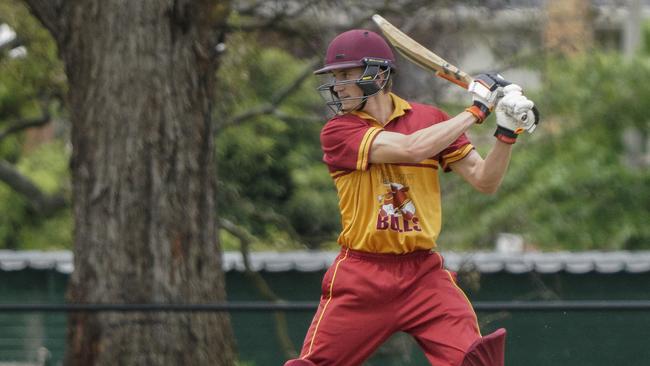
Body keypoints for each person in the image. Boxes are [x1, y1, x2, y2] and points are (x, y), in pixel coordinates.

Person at [284, 29, 538, 366]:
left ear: (376, 73)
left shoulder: (431, 119)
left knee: (477, 361)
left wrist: (507, 132)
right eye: (335, 76)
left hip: (423, 275)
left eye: (345, 75)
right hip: (363, 275)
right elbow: (412, 147)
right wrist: (477, 109)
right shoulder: (339, 130)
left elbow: (484, 180)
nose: (337, 85)